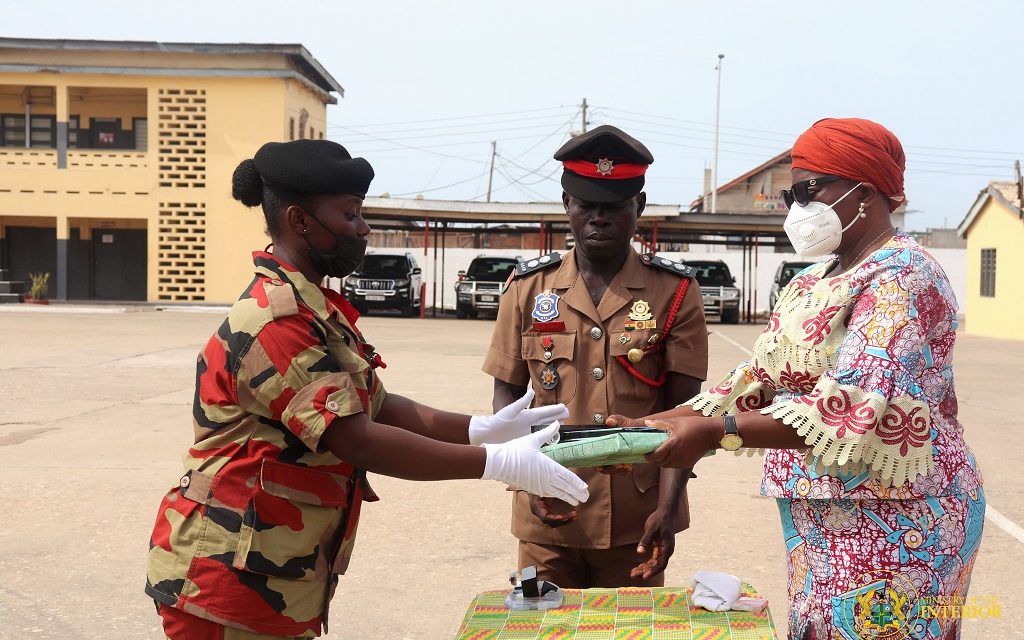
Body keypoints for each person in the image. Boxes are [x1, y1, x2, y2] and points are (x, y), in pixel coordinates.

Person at [144, 139, 589, 640]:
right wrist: (496, 462)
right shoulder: (277, 321)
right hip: (224, 582)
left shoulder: (316, 309)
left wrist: (480, 428)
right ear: (299, 221)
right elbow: (356, 438)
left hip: (267, 574)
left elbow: (378, 405)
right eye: (351, 214)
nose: (363, 228)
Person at [612, 118, 985, 639]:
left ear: (867, 191)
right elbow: (754, 380)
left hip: (904, 520)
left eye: (811, 188)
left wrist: (717, 433)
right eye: (792, 192)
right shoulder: (814, 279)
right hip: (824, 514)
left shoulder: (901, 275)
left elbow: (855, 407)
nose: (797, 206)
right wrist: (653, 422)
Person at [484, 125, 709, 588]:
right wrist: (526, 479)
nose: (599, 218)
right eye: (586, 205)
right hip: (546, 513)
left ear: (638, 208)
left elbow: (685, 414)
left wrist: (668, 509)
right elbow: (507, 397)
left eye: (614, 207)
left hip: (637, 518)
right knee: (539, 631)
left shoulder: (676, 293)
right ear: (567, 205)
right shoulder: (528, 289)